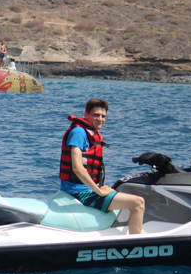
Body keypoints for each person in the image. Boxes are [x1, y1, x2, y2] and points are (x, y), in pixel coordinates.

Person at [59, 99, 144, 234]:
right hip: (79, 192)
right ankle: (138, 247)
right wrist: (99, 191)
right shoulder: (79, 133)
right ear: (86, 114)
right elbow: (77, 168)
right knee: (138, 203)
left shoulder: (91, 133)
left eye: (103, 116)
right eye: (96, 115)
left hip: (87, 188)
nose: (100, 119)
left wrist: (99, 187)